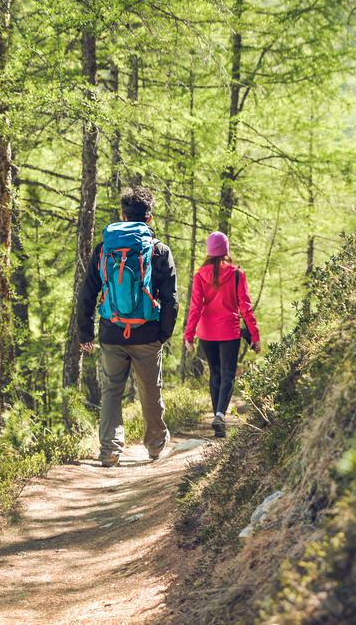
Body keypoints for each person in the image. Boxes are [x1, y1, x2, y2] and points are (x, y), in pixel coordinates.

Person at [76, 186, 178, 467]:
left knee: (111, 392)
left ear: (122, 215)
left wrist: (85, 331)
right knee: (150, 391)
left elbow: (87, 292)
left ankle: (110, 451)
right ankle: (155, 447)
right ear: (150, 219)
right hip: (147, 332)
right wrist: (163, 334)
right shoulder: (159, 251)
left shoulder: (104, 249)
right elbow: (170, 299)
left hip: (111, 331)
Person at [183, 231, 261, 438]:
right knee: (228, 374)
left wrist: (189, 335)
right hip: (229, 331)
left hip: (206, 332)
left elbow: (195, 307)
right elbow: (246, 307)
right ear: (225, 250)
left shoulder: (200, 274)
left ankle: (218, 422)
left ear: (209, 251)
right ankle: (219, 414)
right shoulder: (237, 274)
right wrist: (254, 334)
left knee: (215, 373)